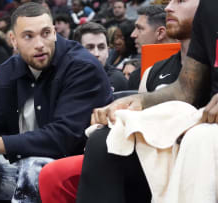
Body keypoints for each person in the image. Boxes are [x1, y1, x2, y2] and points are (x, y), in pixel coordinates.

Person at [0, 2, 113, 202]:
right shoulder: (7, 70)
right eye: (28, 36)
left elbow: (61, 138)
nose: (39, 43)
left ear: (55, 32)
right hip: (24, 167)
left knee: (34, 168)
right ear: (13, 40)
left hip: (77, 172)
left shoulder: (82, 67)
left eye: (45, 33)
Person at [38, 2, 197, 202]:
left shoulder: (112, 76)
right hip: (144, 150)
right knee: (53, 175)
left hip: (184, 151)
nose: (168, 7)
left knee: (101, 141)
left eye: (180, 0)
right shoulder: (153, 71)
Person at [76, 0, 215, 202]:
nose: (168, 7)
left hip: (204, 130)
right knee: (104, 139)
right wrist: (135, 101)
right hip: (192, 119)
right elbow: (186, 89)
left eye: (181, 0)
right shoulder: (207, 15)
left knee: (197, 139)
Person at [73, 22, 128, 92]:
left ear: (108, 51)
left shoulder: (118, 80)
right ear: (77, 51)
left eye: (101, 47)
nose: (96, 53)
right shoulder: (66, 78)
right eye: (89, 48)